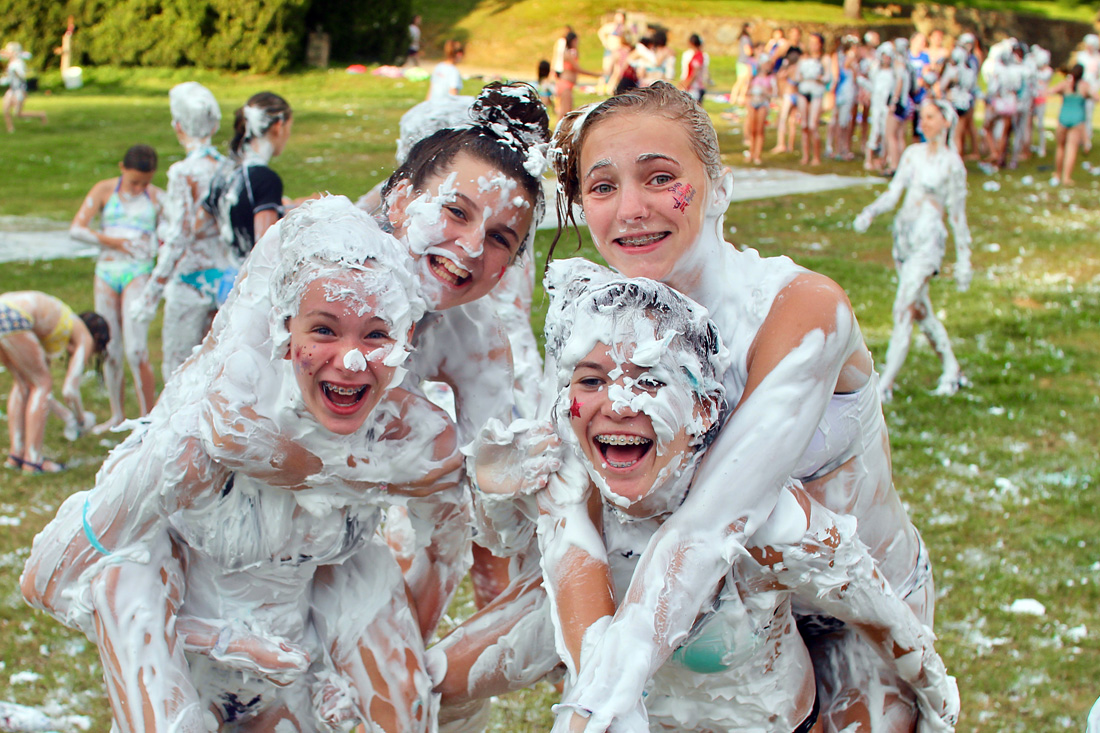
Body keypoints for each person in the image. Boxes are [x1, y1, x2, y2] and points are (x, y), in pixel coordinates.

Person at [23, 83, 552, 728]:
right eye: (458, 213)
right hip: (200, 535)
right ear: (401, 197)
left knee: (405, 711)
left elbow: (480, 501)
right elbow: (221, 427)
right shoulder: (317, 250)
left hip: (326, 554)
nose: (472, 247)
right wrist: (398, 464)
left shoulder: (475, 340)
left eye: (501, 238)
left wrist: (526, 486)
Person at [551, 81, 942, 731]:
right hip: (712, 610)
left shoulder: (802, 308)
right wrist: (595, 670)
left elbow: (718, 515)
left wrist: (623, 660)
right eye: (602, 187)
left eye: (660, 177)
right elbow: (572, 515)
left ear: (720, 186)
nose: (631, 209)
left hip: (857, 610)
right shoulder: (597, 327)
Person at [24, 198, 464, 731]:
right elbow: (45, 579)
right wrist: (225, 640)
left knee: (366, 573)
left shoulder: (407, 442)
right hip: (180, 686)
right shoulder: (205, 444)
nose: (350, 360)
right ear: (284, 332)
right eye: (324, 330)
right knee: (129, 573)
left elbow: (446, 553)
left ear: (404, 341)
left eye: (375, 335)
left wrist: (338, 665)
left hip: (292, 685)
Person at [532, 261, 958, 733]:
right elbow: (564, 651)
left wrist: (935, 697)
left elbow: (885, 619)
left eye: (651, 381)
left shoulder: (769, 524)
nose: (619, 404)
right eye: (591, 381)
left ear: (707, 407)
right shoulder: (577, 507)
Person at [854, 99, 972, 401]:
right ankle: (951, 368)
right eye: (922, 117)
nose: (924, 123)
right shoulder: (912, 154)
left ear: (946, 121)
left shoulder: (952, 165)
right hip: (903, 238)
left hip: (928, 242)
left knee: (903, 308)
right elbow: (894, 194)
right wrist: (870, 211)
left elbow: (958, 216)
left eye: (930, 117)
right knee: (920, 310)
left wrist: (964, 261)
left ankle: (885, 385)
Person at [132, 82, 230, 380]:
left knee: (178, 375)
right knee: (215, 371)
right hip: (222, 278)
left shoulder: (183, 172)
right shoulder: (227, 166)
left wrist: (149, 296)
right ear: (214, 125)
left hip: (188, 283)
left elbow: (179, 236)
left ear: (178, 127)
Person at [69, 144, 161, 432]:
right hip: (108, 271)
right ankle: (117, 414)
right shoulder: (104, 190)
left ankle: (149, 416)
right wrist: (114, 242)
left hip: (138, 272)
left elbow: (173, 235)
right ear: (122, 168)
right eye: (134, 181)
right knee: (110, 346)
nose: (138, 188)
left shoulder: (157, 197)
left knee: (136, 349)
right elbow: (77, 229)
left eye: (145, 182)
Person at [1, 292, 108, 473]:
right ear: (97, 337)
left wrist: (67, 417)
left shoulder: (53, 327)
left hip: (5, 311)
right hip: (15, 316)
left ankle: (16, 455)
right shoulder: (84, 336)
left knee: (22, 383)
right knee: (41, 383)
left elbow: (43, 397)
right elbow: (69, 391)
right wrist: (82, 419)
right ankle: (33, 461)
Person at [204, 92, 293, 268]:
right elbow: (265, 250)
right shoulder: (266, 179)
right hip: (246, 282)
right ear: (278, 126)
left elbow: (201, 227)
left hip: (223, 276)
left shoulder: (225, 171)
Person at [1050, 63, 1095, 187]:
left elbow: (1051, 90)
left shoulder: (1065, 84)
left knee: (1060, 147)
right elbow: (1096, 96)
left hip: (1063, 118)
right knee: (1071, 148)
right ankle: (1067, 177)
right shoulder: (1085, 86)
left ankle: (1057, 174)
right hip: (1077, 119)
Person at [793, 33, 830, 166]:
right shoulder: (803, 59)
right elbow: (797, 76)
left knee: (813, 125)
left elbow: (828, 77)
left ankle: (816, 157)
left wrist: (818, 77)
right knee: (804, 126)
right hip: (804, 91)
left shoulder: (824, 59)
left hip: (816, 92)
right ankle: (805, 156)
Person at [2, 42, 47, 133]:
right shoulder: (11, 62)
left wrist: (15, 73)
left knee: (18, 114)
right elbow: (9, 79)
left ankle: (41, 115)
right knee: (6, 110)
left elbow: (22, 76)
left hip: (19, 90)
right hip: (12, 90)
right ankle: (11, 130)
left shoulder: (18, 63)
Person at [555, 32, 598, 118]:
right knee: (564, 113)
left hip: (568, 84)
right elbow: (577, 69)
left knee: (568, 110)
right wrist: (596, 74)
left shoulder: (571, 53)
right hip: (565, 84)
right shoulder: (568, 54)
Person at [745, 51, 776, 164]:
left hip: (763, 103)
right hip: (753, 102)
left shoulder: (771, 78)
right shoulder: (754, 77)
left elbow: (774, 93)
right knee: (753, 129)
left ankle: (757, 154)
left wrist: (765, 92)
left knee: (760, 129)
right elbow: (747, 91)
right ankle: (751, 152)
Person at [1075, 34, 1100, 153]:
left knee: (1088, 115)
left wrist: (1094, 88)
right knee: (1079, 115)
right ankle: (1079, 138)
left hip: (1091, 90)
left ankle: (1087, 140)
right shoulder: (1081, 56)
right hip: (1080, 90)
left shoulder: (1098, 58)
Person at [729, 22, 755, 108]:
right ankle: (733, 98)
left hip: (742, 62)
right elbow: (748, 51)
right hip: (744, 62)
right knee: (741, 81)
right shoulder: (746, 38)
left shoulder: (743, 38)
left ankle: (740, 98)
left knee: (743, 82)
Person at [680, 33, 709, 103]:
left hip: (694, 87)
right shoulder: (699, 55)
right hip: (694, 85)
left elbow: (694, 74)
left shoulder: (697, 57)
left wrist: (686, 85)